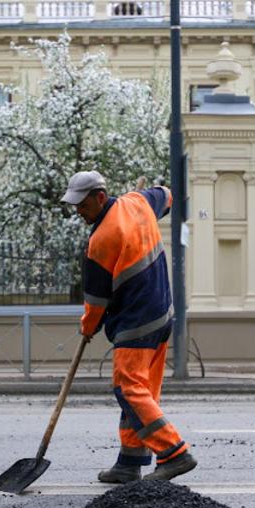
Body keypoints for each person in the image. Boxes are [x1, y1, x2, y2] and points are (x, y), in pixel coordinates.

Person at [61, 170, 197, 483]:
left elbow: (96, 300)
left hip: (136, 321)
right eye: (75, 205)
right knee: (141, 392)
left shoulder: (101, 239)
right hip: (161, 314)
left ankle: (174, 453)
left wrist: (88, 327)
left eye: (82, 204)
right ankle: (129, 461)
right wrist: (145, 205)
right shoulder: (138, 202)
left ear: (99, 197)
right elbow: (167, 195)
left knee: (128, 388)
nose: (78, 211)